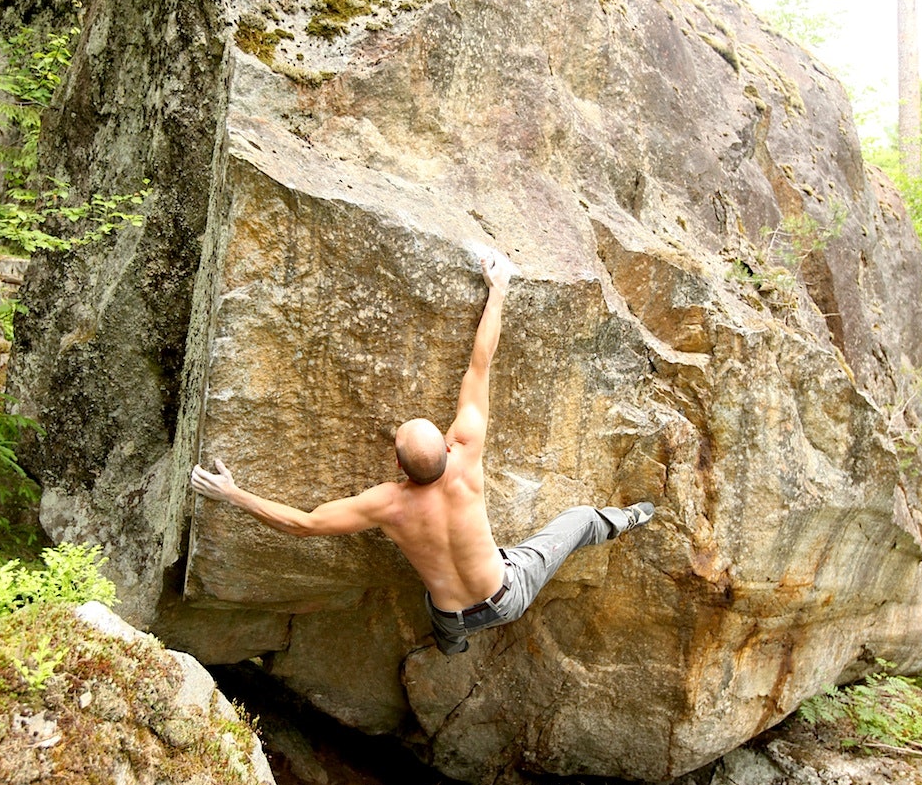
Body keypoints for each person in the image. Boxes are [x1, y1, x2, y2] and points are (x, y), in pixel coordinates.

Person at [190, 251, 654, 655]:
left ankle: (450, 647)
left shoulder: (387, 505)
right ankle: (629, 518)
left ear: (397, 465)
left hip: (452, 617)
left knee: (444, 614)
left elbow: (303, 524)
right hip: (507, 596)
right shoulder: (467, 456)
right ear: (447, 446)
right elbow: (480, 364)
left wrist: (233, 494)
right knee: (578, 521)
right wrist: (499, 288)